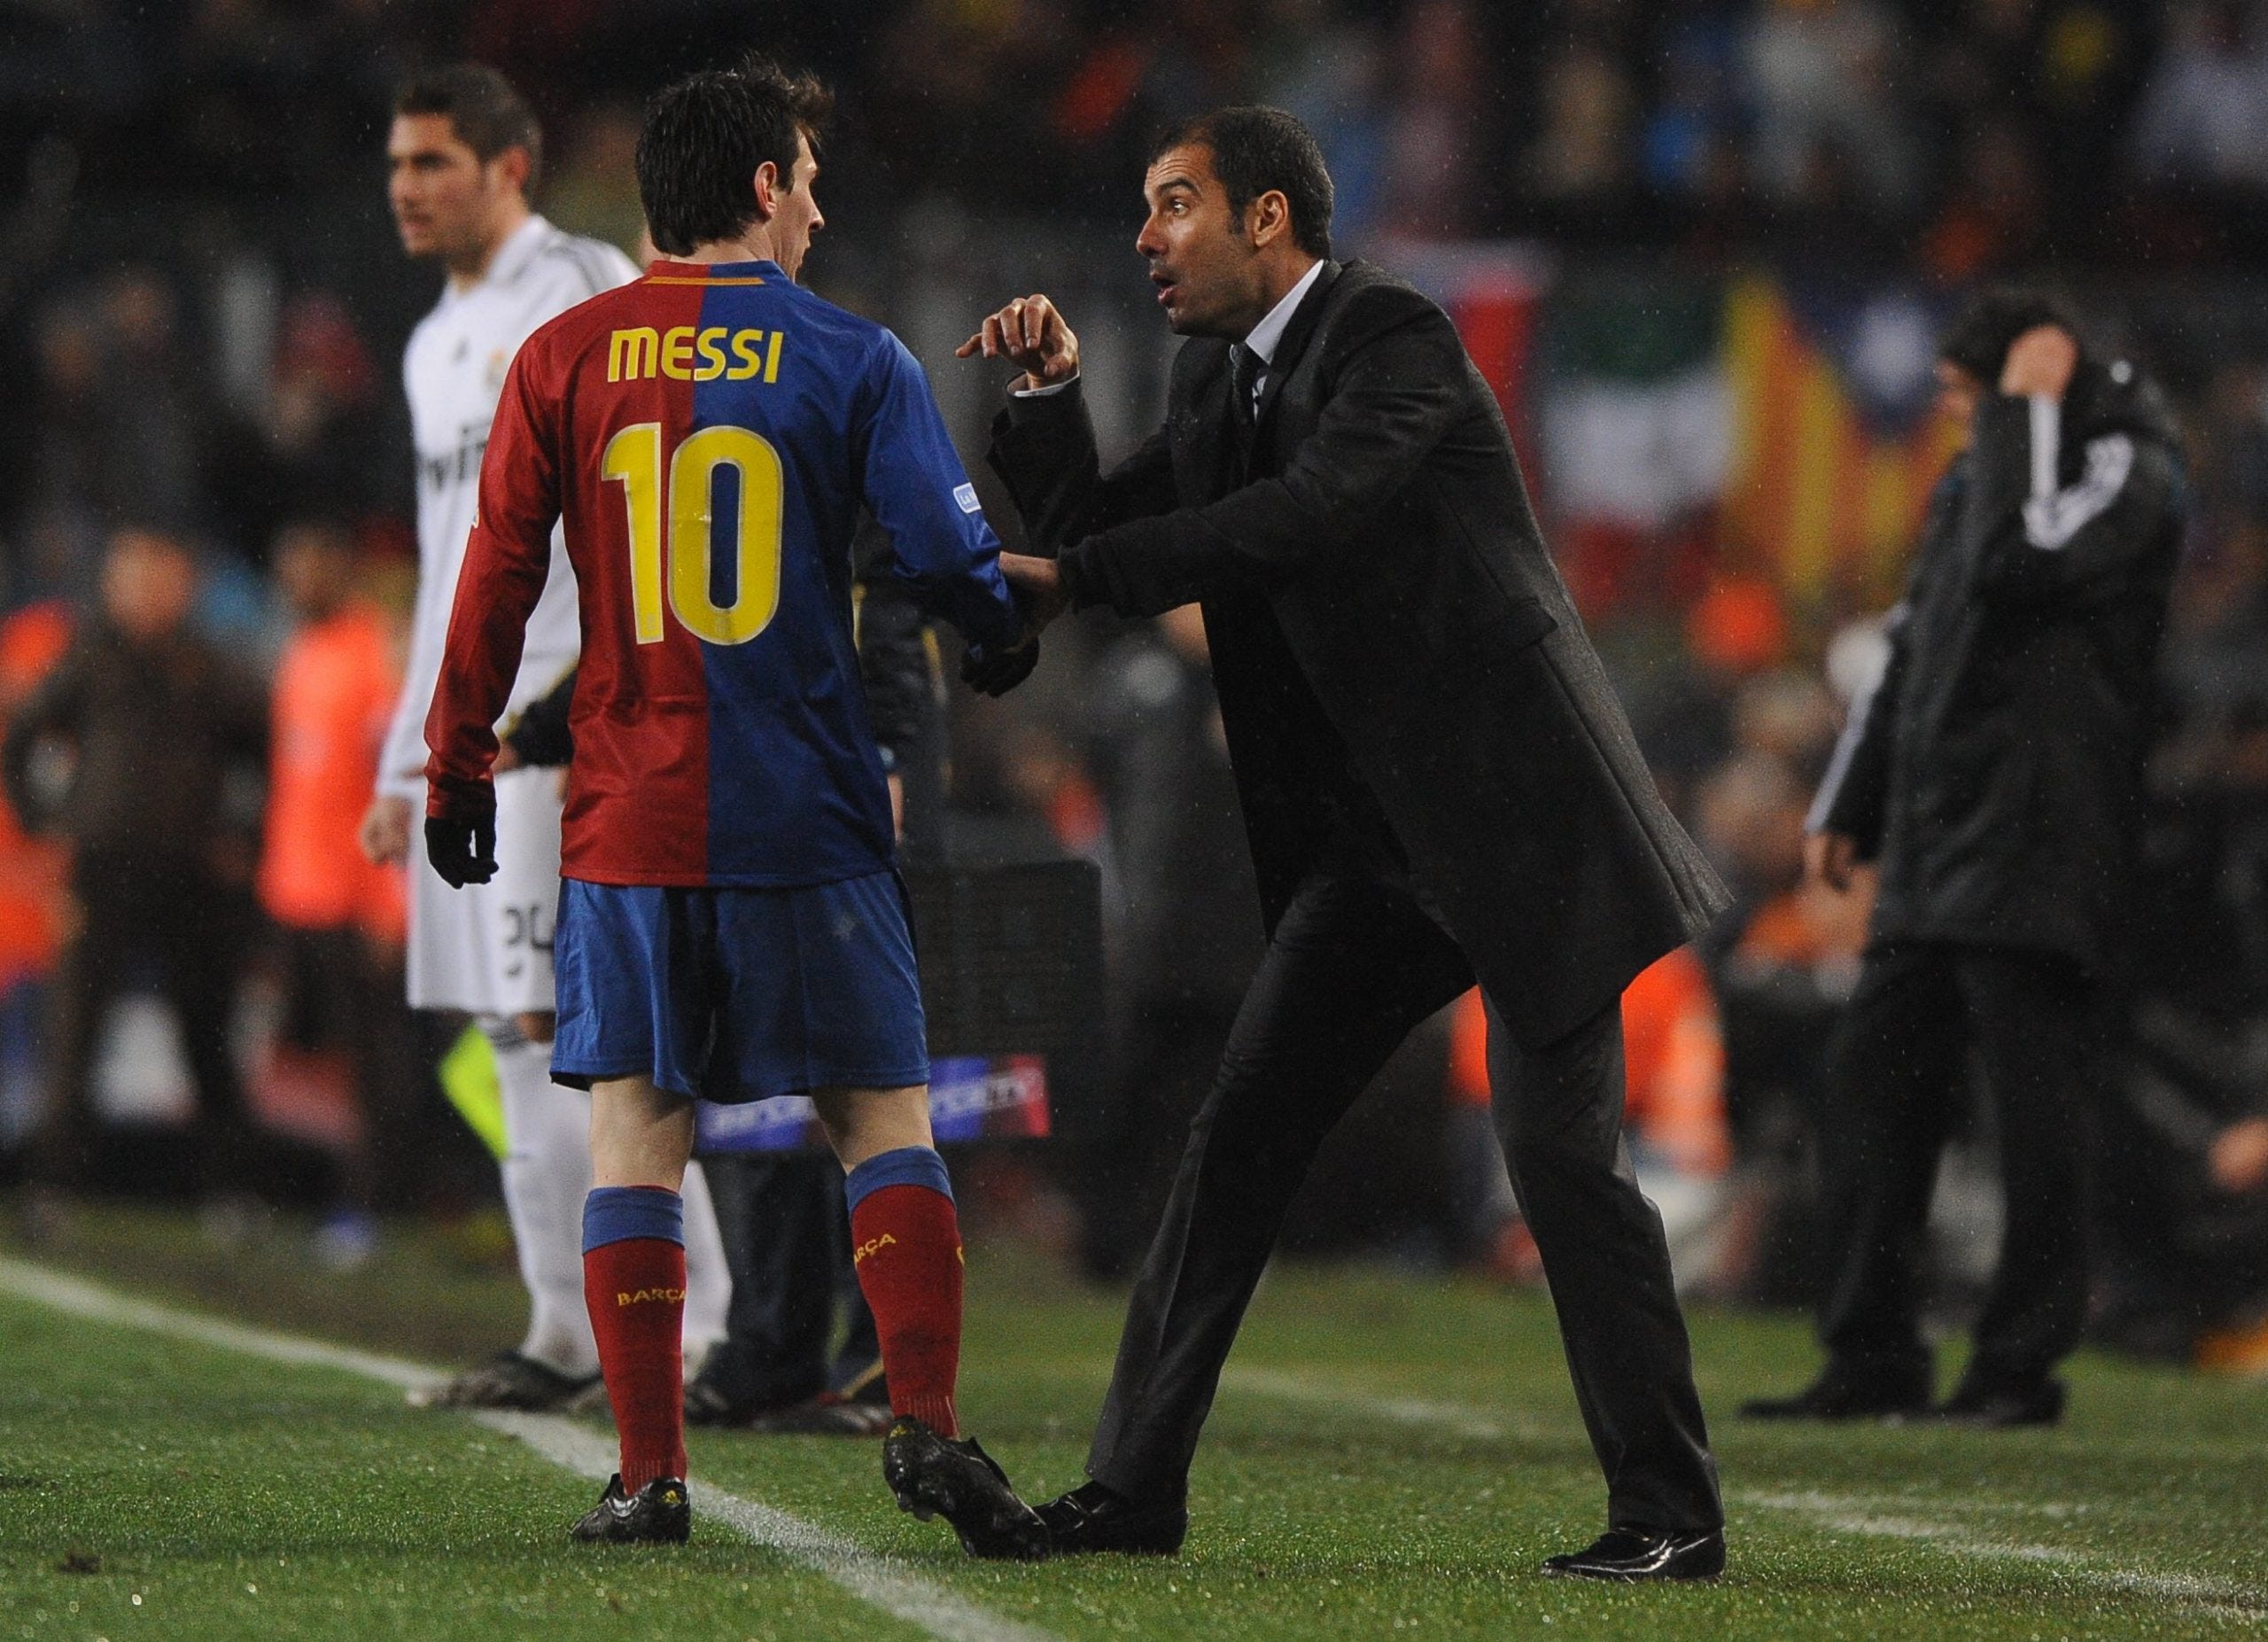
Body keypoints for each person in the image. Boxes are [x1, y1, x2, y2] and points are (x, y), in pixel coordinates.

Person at [964, 105, 1729, 1579]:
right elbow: (1094, 519)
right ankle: (1132, 1491)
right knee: (1236, 1137)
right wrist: (1053, 397)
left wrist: (1079, 577)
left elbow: (1304, 520)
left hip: (1519, 820)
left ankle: (1670, 1510)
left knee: (1560, 1161)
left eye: (1174, 203)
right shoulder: (1215, 376)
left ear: (1270, 220)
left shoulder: (1396, 339)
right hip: (1384, 842)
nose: (1143, 236)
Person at [422, 56, 1047, 1555]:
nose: (819, 213)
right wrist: (1003, 630)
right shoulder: (856, 358)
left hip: (627, 814)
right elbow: (953, 570)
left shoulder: (561, 357)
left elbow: (495, 586)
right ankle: (927, 1422)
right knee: (878, 1116)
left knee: (639, 1128)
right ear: (764, 187)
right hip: (806, 811)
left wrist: (455, 760)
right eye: (809, 184)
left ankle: (650, 1474)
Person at [1744, 292, 2187, 1428]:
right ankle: (1870, 1354)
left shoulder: (2131, 463)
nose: (1950, 417)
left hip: (2043, 839)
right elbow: (1912, 653)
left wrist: (2025, 410)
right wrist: (1852, 797)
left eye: (1961, 395)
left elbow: (2024, 562)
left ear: (2021, 381)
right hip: (1943, 846)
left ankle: (2014, 1369)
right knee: (1872, 1094)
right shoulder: (1977, 475)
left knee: (2037, 1118)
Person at [360, 62, 730, 1410]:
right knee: (516, 1034)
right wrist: (412, 754)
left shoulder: (575, 289)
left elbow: (640, 488)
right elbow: (448, 554)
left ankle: (696, 1332)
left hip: (565, 718)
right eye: (398, 165)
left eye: (433, 164)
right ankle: (562, 1328)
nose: (406, 188)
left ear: (510, 168)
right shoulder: (426, 343)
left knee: (598, 1027)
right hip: (477, 730)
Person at [4, 528, 268, 1213]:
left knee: (205, 1031)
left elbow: (265, 755)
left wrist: (242, 836)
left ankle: (232, 1190)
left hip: (189, 874)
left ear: (183, 585)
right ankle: (55, 1187)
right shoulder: (89, 655)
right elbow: (22, 732)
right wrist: (43, 829)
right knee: (75, 1032)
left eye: (159, 576)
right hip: (100, 868)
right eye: (133, 576)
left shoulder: (209, 665)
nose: (147, 592)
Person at [257, 518, 422, 1253]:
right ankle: (309, 1196)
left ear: (336, 564)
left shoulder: (374, 657)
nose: (294, 579)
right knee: (303, 1061)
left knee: (376, 1064)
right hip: (295, 895)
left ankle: (375, 1204)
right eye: (287, 564)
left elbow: (392, 792)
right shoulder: (299, 649)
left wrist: (390, 902)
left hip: (356, 900)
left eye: (307, 562)